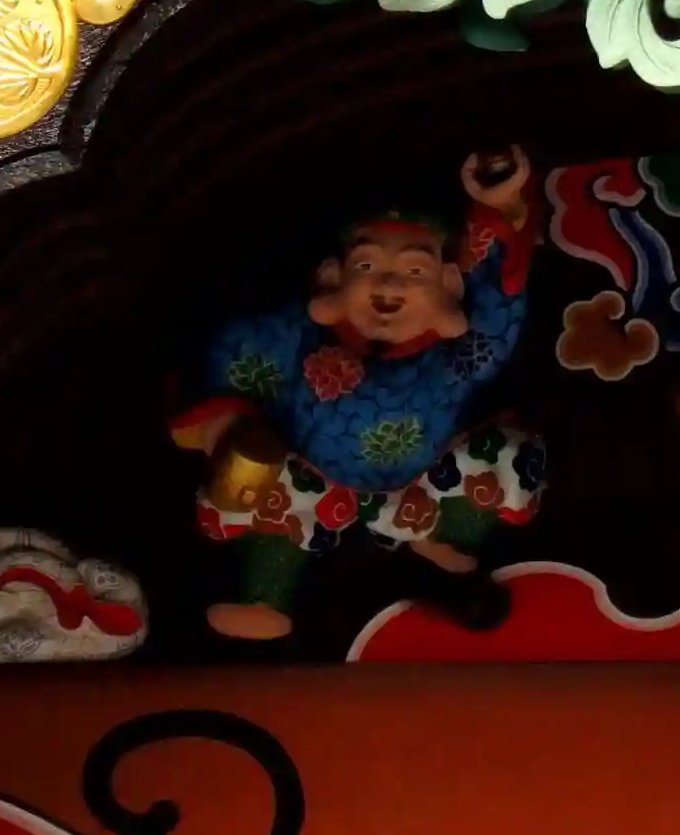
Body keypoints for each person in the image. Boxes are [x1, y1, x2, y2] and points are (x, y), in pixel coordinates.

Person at [169, 148, 545, 641]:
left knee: (510, 453)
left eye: (415, 272)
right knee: (263, 485)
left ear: (450, 288)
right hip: (315, 480)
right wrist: (227, 423)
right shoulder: (300, 338)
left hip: (420, 485)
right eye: (367, 265)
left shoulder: (454, 359)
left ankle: (446, 540)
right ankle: (264, 597)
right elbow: (240, 350)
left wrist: (499, 211)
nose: (389, 283)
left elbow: (497, 310)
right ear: (331, 279)